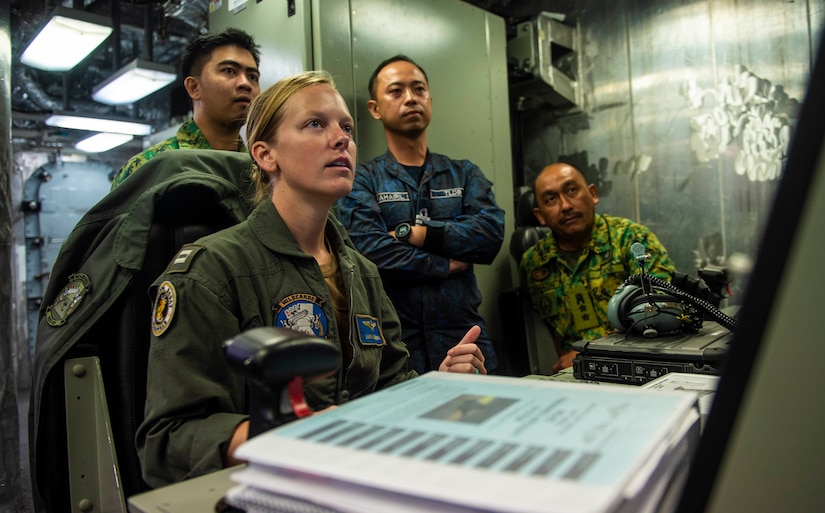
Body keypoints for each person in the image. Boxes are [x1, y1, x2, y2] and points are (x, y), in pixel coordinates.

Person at [136, 70, 488, 488]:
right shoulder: (211, 270)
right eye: (315, 124)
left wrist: (438, 386)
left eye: (347, 128)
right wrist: (286, 432)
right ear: (266, 155)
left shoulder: (362, 273)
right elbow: (167, 441)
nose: (341, 139)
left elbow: (392, 385)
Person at [336, 55, 505, 375]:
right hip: (394, 346)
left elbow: (490, 235)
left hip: (465, 339)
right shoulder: (363, 178)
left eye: (419, 89)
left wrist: (415, 234)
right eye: (396, 91)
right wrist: (444, 263)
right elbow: (368, 250)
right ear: (374, 108)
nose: (410, 98)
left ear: (430, 99)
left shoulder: (464, 174)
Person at [520, 162, 676, 372]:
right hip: (578, 376)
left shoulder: (632, 240)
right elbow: (554, 329)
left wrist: (591, 351)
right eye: (551, 199)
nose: (565, 205)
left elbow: (659, 313)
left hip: (642, 367)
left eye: (571, 190)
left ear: (592, 194)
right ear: (540, 216)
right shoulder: (534, 263)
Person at [110, 27, 261, 189]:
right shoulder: (148, 168)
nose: (245, 83)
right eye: (229, 71)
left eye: (252, 77)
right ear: (194, 87)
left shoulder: (261, 170)